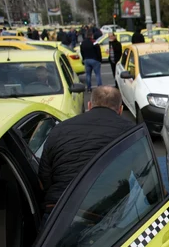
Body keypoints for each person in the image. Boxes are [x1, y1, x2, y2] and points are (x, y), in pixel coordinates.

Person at [38, 86, 134, 227]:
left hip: (57, 211)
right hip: (105, 213)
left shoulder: (59, 129)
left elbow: (44, 177)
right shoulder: (130, 131)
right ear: (120, 109)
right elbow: (143, 170)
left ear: (89, 106)